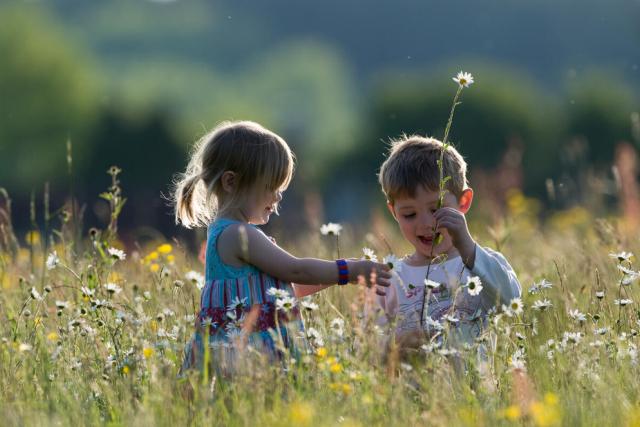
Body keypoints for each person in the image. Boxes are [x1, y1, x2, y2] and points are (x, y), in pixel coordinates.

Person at [173, 120, 391, 375]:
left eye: (280, 189)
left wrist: (339, 279)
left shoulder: (229, 234)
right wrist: (348, 270)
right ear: (231, 182)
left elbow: (286, 290)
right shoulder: (238, 234)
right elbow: (295, 271)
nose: (277, 197)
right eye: (270, 187)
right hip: (244, 362)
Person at [376, 135, 521, 351]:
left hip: (474, 383)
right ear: (394, 212)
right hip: (416, 383)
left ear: (464, 202)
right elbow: (373, 349)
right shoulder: (392, 280)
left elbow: (511, 302)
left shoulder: (479, 264)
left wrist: (467, 247)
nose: (425, 223)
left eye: (436, 210)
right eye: (409, 214)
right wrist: (396, 347)